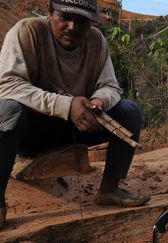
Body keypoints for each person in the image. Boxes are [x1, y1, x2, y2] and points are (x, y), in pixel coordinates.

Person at [0, 0, 149, 229]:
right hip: (31, 130)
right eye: (65, 17)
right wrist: (65, 105)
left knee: (129, 111)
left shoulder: (96, 40)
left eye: (82, 21)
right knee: (8, 110)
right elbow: (8, 85)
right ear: (50, 12)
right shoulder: (26, 30)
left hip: (78, 125)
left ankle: (109, 189)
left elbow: (110, 86)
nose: (72, 26)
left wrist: (100, 100)